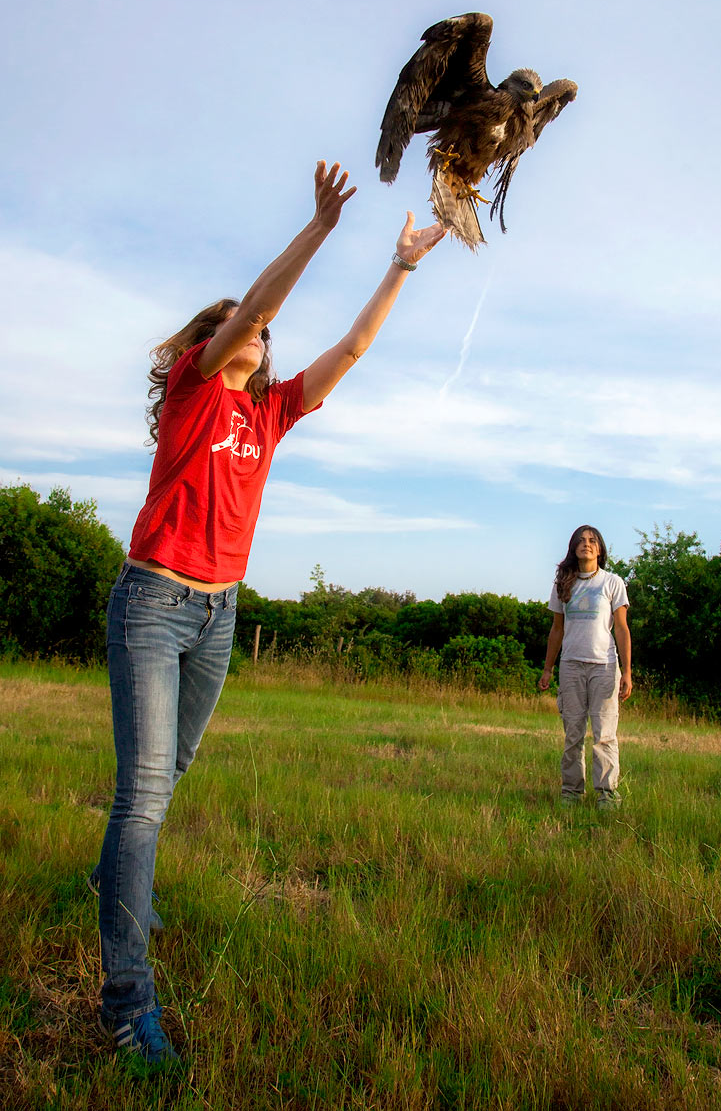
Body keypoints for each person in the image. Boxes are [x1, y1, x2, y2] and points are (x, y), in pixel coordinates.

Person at [92, 161, 444, 1066]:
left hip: (219, 613)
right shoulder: (195, 391)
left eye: (254, 332)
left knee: (172, 775)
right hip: (153, 603)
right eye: (231, 327)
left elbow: (354, 352)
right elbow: (252, 309)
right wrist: (321, 228)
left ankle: (117, 882)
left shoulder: (273, 414)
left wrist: (400, 267)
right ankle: (128, 1002)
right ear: (205, 345)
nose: (252, 333)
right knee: (141, 795)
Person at [538, 525, 632, 808]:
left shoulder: (612, 582)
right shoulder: (562, 584)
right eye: (580, 540)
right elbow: (557, 630)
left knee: (604, 735)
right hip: (571, 667)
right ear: (573, 548)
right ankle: (571, 792)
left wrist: (627, 672)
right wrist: (548, 668)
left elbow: (622, 629)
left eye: (592, 541)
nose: (586, 544)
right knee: (573, 734)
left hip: (604, 667)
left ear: (600, 549)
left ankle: (607, 795)